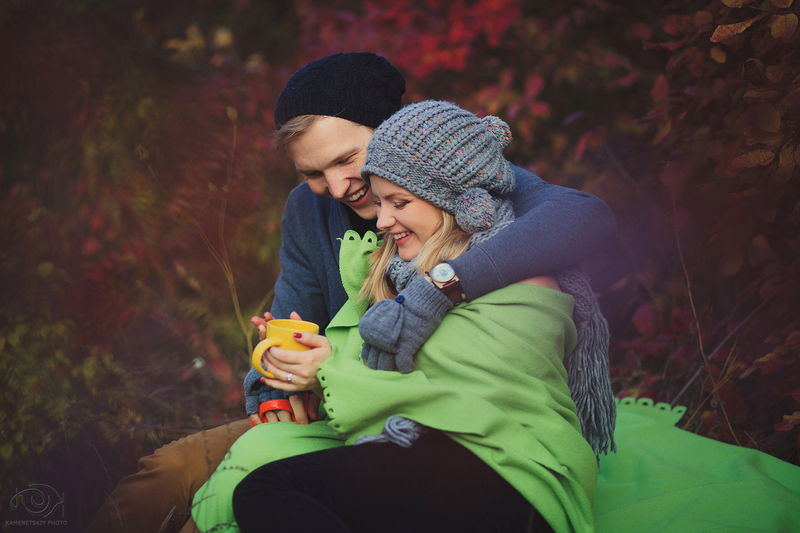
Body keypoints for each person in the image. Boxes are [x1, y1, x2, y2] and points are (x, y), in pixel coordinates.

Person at [86, 53, 617, 533]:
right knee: (165, 473)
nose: (338, 187)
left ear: (393, 130)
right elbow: (298, 315)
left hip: (425, 412)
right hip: (342, 402)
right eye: (313, 173)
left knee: (237, 497)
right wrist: (275, 382)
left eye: (346, 160)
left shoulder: (456, 173)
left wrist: (440, 286)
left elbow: (584, 217)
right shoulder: (309, 210)